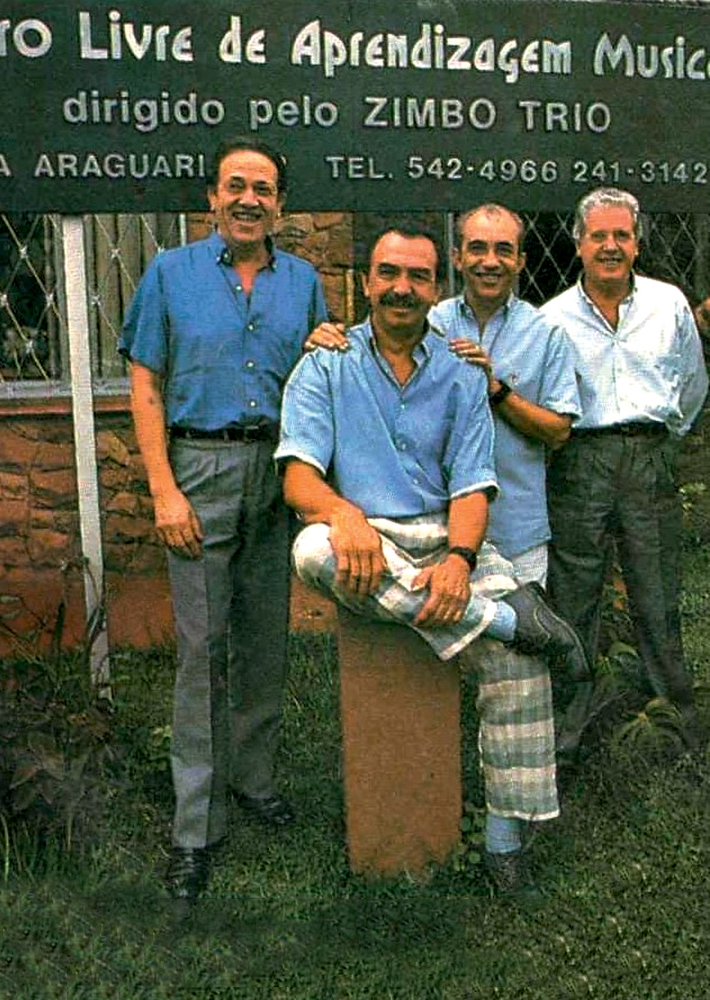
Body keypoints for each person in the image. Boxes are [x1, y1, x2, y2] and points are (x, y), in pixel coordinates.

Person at [275, 222, 588, 893]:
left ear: (435, 289)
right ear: (366, 281)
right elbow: (298, 477)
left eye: (418, 276)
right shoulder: (324, 362)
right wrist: (344, 514)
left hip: (437, 537)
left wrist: (458, 560)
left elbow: (474, 485)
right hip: (362, 540)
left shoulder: (460, 372)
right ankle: (507, 618)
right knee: (310, 550)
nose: (401, 288)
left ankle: (505, 844)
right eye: (389, 272)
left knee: (519, 672)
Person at [119, 136, 329, 906]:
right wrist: (163, 490)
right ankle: (195, 829)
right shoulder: (170, 275)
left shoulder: (303, 282)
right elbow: (144, 385)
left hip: (277, 471)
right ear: (212, 198)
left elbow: (320, 374)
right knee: (203, 651)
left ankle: (255, 780)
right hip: (198, 469)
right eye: (235, 185)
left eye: (264, 188)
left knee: (264, 637)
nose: (249, 199)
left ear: (280, 204)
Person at [541, 187, 709, 750]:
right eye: (598, 236)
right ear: (578, 244)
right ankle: (572, 730)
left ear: (638, 243)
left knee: (656, 593)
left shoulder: (669, 305)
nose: (610, 246)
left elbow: (691, 383)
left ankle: (675, 724)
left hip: (650, 457)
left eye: (622, 235)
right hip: (580, 461)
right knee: (575, 593)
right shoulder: (552, 319)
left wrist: (661, 441)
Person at [428, 203, 581, 588]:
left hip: (518, 529)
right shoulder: (429, 325)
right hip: (437, 527)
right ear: (458, 258)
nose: (490, 262)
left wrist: (496, 391)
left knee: (524, 639)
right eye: (478, 249)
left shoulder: (547, 334)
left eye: (504, 250)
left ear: (522, 261)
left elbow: (558, 431)